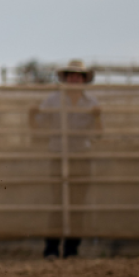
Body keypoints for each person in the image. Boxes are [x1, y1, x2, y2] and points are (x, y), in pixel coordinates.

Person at [31, 59, 101, 258]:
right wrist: (32, 115)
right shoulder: (52, 100)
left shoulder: (92, 103)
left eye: (78, 75)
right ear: (65, 78)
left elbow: (98, 133)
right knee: (57, 202)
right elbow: (39, 126)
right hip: (58, 154)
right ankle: (51, 248)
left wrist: (97, 117)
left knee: (78, 203)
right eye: (71, 75)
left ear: (83, 79)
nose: (74, 78)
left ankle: (72, 249)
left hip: (81, 155)